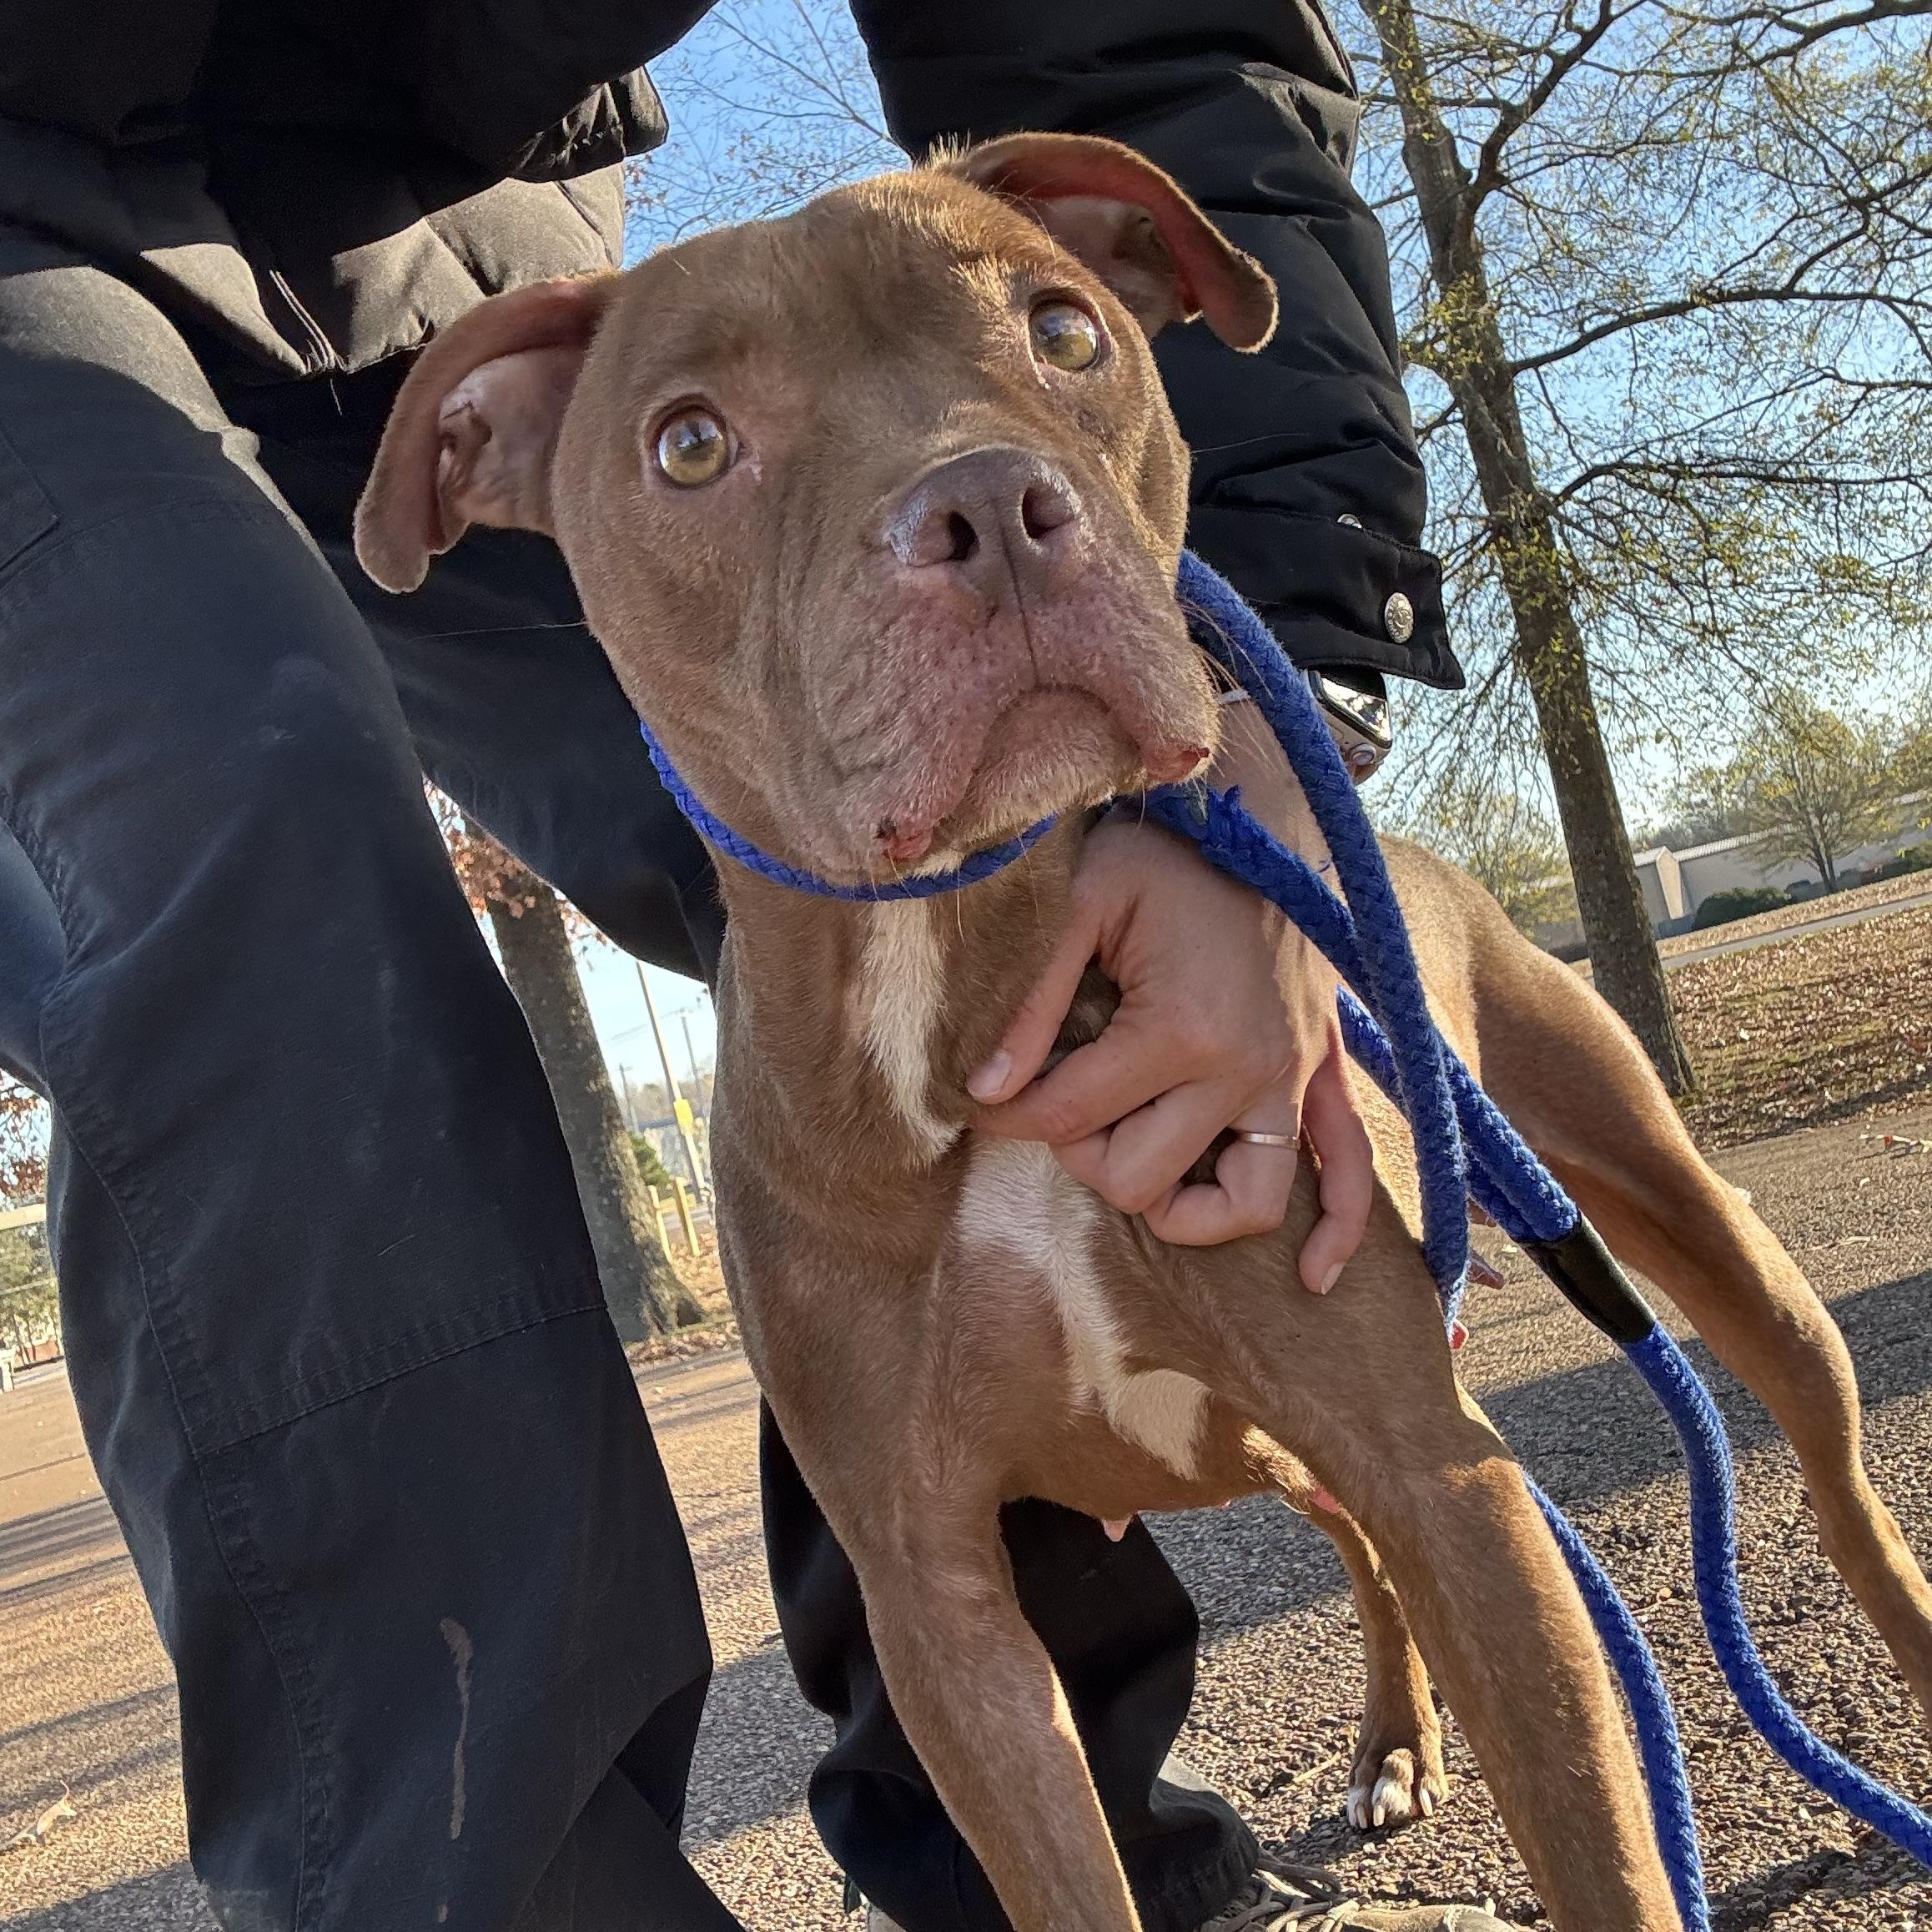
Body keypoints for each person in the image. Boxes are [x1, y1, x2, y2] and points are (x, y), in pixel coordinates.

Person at [0, 6, 1472, 1930]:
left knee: (886, 835)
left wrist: (1263, 711)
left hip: (423, 218)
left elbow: (1130, 27)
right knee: (256, 879)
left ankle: (1065, 1869)